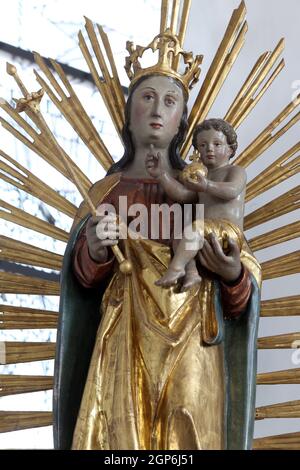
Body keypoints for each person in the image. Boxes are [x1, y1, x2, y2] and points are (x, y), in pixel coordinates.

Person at [54, 71, 261, 450]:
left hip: (193, 335)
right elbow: (80, 285)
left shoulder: (198, 187)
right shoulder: (106, 192)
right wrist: (96, 247)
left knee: (190, 428)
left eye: (170, 101)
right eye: (146, 98)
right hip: (124, 334)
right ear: (128, 115)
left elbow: (242, 282)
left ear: (182, 122)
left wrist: (232, 273)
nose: (156, 109)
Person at [145, 118, 246, 291]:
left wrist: (207, 185)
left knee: (194, 230)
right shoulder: (203, 176)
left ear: (230, 149)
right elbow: (184, 195)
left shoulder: (234, 171)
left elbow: (232, 190)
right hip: (204, 231)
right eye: (203, 145)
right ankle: (191, 273)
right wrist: (162, 174)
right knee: (179, 239)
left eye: (217, 144)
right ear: (197, 150)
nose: (210, 149)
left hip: (227, 231)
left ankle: (175, 269)